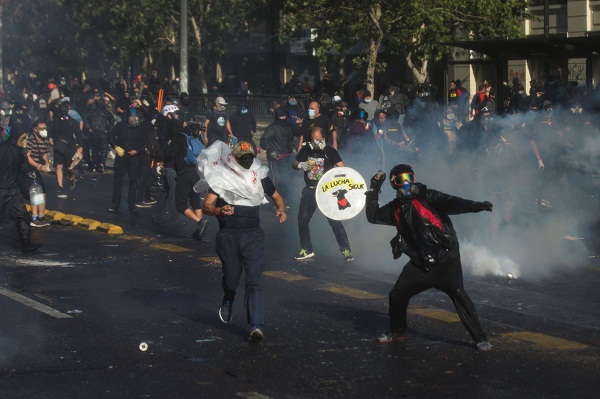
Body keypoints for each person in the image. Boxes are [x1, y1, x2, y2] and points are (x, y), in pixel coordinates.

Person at [364, 164, 493, 351]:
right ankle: (397, 331)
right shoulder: (395, 208)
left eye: (409, 177)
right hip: (421, 262)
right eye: (401, 180)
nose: (407, 183)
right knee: (397, 295)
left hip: (446, 258)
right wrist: (374, 189)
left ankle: (480, 338)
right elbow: (373, 216)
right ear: (394, 184)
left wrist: (476, 206)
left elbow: (453, 203)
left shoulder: (428, 196)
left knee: (459, 294)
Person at [201, 141, 288, 343]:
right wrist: (218, 211)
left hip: (252, 234)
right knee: (232, 278)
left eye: (250, 157)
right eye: (244, 158)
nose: (248, 161)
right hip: (229, 234)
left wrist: (281, 209)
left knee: (254, 280)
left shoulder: (258, 175)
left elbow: (277, 197)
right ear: (235, 158)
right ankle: (229, 295)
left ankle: (256, 325)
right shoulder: (222, 175)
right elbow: (206, 206)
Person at [293, 126, 354, 262]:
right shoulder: (305, 150)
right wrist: (300, 165)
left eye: (318, 139)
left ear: (324, 138)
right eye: (313, 140)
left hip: (326, 192)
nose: (315, 142)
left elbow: (343, 169)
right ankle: (306, 249)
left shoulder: (330, 151)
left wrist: (335, 181)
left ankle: (346, 250)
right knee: (302, 220)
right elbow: (294, 164)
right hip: (310, 190)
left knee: (334, 221)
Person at [0, 124, 42, 252]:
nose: (24, 141)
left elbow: (23, 168)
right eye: (22, 138)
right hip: (1, 189)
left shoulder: (20, 152)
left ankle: (25, 242)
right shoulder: (2, 149)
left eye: (25, 138)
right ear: (15, 137)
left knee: (22, 215)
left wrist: (30, 173)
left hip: (13, 189)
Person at [168, 118, 210, 239]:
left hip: (184, 173)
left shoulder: (180, 138)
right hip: (196, 173)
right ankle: (199, 230)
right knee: (195, 201)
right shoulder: (198, 141)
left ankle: (199, 222)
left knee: (180, 204)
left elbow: (171, 153)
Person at [107, 108, 145, 213]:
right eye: (132, 117)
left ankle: (131, 205)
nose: (134, 119)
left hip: (134, 157)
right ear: (127, 117)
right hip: (121, 155)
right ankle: (115, 204)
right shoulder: (120, 126)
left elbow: (145, 144)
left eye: (136, 117)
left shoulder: (141, 129)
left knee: (133, 181)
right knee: (118, 180)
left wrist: (137, 151)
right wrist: (116, 147)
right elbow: (110, 137)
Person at [260, 108, 296, 201]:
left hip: (287, 157)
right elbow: (264, 141)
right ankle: (275, 200)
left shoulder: (289, 126)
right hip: (275, 158)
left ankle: (286, 198)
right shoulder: (271, 128)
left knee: (287, 178)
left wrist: (293, 148)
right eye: (281, 116)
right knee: (276, 179)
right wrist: (271, 150)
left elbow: (291, 140)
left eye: (285, 116)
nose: (283, 118)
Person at [48, 101, 83, 198]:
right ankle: (60, 186)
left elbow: (79, 134)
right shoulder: (55, 121)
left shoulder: (72, 122)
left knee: (68, 167)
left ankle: (71, 175)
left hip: (69, 147)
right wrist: (50, 138)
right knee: (59, 166)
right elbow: (50, 131)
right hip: (58, 146)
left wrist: (80, 146)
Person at [24, 120, 51, 227]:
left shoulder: (44, 141)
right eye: (41, 129)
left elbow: (44, 154)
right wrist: (38, 166)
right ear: (35, 130)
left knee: (43, 193)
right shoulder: (30, 141)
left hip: (38, 168)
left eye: (45, 128)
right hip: (29, 169)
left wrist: (46, 163)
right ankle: (34, 218)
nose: (44, 131)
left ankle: (41, 217)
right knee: (35, 192)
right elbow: (27, 157)